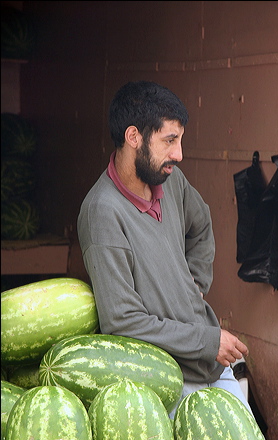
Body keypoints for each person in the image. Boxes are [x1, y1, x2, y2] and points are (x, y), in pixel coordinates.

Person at [77, 80, 251, 418]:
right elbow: (122, 322)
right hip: (166, 383)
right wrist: (207, 341)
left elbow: (201, 226)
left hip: (213, 367)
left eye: (179, 140)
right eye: (169, 141)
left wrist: (196, 284)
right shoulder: (102, 213)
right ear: (133, 137)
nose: (179, 154)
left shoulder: (171, 181)